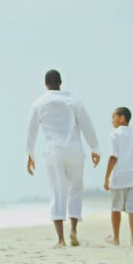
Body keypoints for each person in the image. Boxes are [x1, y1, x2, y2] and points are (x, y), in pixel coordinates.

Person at [26, 69, 101, 247]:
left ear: (45, 84)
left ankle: (61, 240)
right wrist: (95, 148)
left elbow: (31, 131)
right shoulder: (74, 101)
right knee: (76, 189)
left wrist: (30, 154)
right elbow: (86, 125)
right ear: (60, 82)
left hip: (54, 152)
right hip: (75, 150)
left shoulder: (38, 103)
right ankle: (74, 230)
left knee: (57, 191)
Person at [103, 107, 133, 246]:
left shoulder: (115, 134)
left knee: (115, 208)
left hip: (119, 176)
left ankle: (116, 238)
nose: (112, 120)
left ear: (122, 118)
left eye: (114, 117)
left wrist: (106, 178)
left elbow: (113, 157)